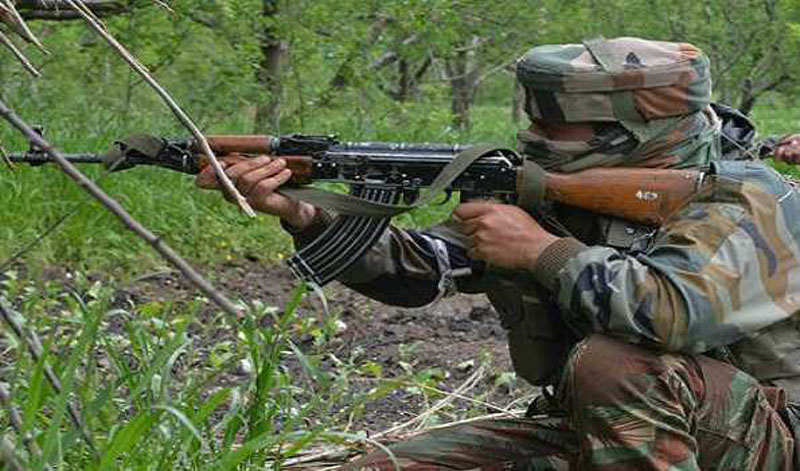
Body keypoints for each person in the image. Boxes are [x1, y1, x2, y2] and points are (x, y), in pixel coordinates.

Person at [197, 37, 800, 470]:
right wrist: (304, 212)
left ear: (628, 131)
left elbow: (675, 313)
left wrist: (542, 251)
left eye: (555, 122)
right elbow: (421, 271)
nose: (534, 133)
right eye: (533, 116)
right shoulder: (550, 190)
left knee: (614, 362)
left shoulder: (748, 198)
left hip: (765, 438)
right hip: (600, 427)